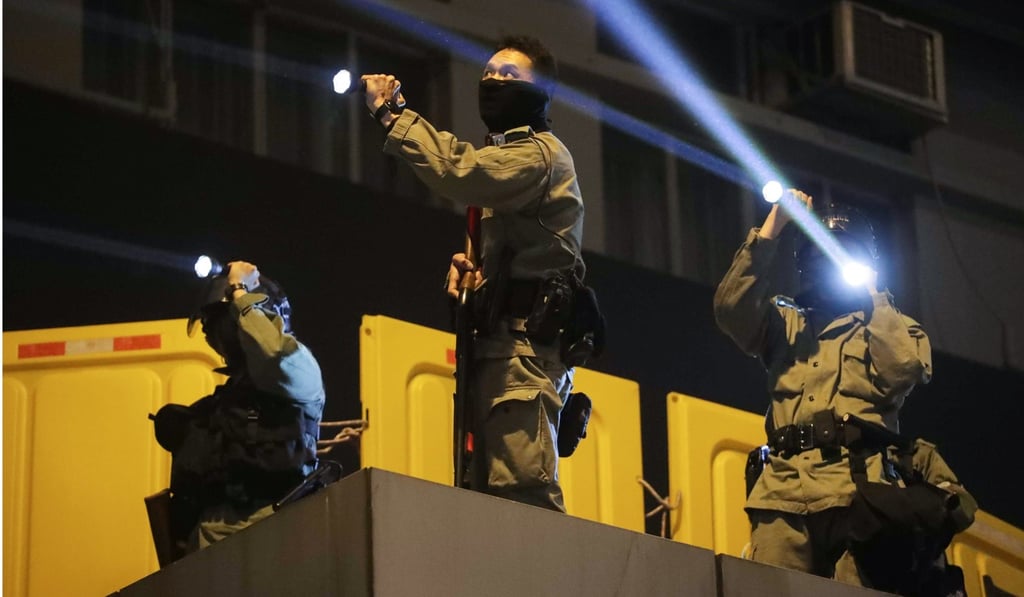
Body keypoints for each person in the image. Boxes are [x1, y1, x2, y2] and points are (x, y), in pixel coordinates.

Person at [361, 36, 598, 512]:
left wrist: (394, 115)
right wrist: (475, 282)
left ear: (541, 93)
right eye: (488, 73)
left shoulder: (538, 155)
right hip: (500, 349)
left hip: (523, 353)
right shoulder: (509, 156)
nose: (493, 80)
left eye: (510, 75)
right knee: (483, 497)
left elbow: (461, 170)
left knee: (521, 495)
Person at [714, 190, 933, 586]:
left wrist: (873, 294)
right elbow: (731, 310)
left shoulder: (891, 326)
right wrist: (773, 227)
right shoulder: (786, 323)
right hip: (783, 495)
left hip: (859, 497)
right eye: (821, 254)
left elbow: (901, 371)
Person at [152, 260, 325, 552]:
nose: (211, 336)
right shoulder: (230, 399)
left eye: (219, 323)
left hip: (272, 542)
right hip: (211, 549)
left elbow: (271, 352)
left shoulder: (297, 368)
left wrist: (239, 292)